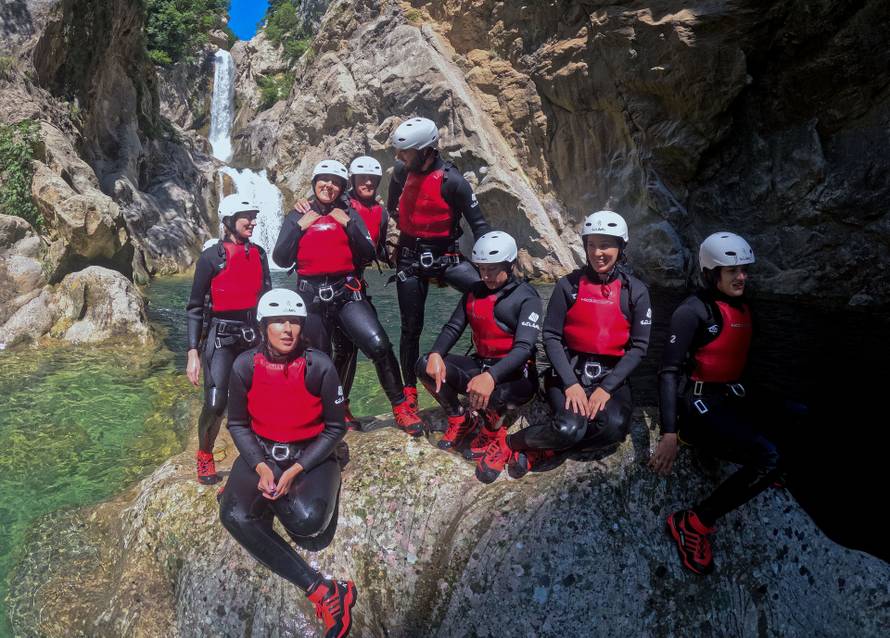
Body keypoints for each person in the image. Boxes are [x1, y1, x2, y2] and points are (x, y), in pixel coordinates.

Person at [219, 289, 355, 637]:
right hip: (264, 453)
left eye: (295, 321)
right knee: (232, 515)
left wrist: (295, 470)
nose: (288, 329)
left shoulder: (318, 366)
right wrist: (261, 468)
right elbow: (237, 423)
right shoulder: (244, 365)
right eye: (279, 321)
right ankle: (324, 590)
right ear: (263, 326)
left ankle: (249, 494)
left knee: (309, 523)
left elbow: (336, 427)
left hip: (311, 454)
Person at [650, 232, 781, 576]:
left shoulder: (744, 309)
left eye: (743, 269)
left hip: (728, 397)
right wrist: (669, 433)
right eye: (731, 270)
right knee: (768, 459)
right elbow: (667, 371)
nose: (741, 277)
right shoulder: (691, 311)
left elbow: (746, 366)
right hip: (697, 405)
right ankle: (693, 523)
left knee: (801, 418)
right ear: (711, 273)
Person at [273, 159, 423, 436]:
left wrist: (350, 224)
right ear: (315, 181)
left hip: (346, 293)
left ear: (342, 187)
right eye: (324, 179)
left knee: (378, 344)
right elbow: (280, 259)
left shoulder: (349, 213)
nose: (329, 186)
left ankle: (400, 406)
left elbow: (368, 253)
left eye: (335, 182)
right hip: (311, 300)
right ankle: (327, 414)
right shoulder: (298, 215)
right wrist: (299, 227)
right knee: (319, 361)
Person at [502, 211, 651, 480]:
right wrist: (571, 384)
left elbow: (639, 347)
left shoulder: (635, 291)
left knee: (614, 430)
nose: (597, 253)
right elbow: (551, 336)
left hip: (610, 380)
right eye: (591, 245)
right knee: (569, 428)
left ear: (620, 247)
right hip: (569, 374)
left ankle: (545, 450)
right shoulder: (568, 286)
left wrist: (606, 389)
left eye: (605, 245)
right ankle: (515, 443)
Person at [415, 231, 542, 483]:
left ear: (510, 265)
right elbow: (453, 328)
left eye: (493, 270)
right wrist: (437, 354)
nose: (486, 276)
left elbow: (525, 347)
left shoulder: (527, 297)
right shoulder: (474, 291)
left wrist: (492, 377)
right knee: (423, 365)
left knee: (493, 395)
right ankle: (459, 417)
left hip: (516, 376)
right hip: (482, 364)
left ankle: (493, 430)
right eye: (481, 269)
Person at [387, 117, 491, 409]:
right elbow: (393, 207)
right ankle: (409, 393)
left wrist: (492, 266)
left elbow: (479, 226)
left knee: (488, 295)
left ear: (426, 150)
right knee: (410, 327)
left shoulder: (452, 181)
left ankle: (489, 367)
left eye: (404, 152)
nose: (398, 157)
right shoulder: (400, 172)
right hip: (410, 258)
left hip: (446, 257)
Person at [185, 195, 271, 484]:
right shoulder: (211, 257)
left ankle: (261, 454)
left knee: (259, 400)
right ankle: (205, 455)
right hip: (221, 337)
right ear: (229, 221)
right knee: (215, 403)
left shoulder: (259, 254)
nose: (253, 221)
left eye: (253, 216)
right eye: (246, 216)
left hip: (252, 334)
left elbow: (267, 300)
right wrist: (193, 352)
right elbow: (195, 307)